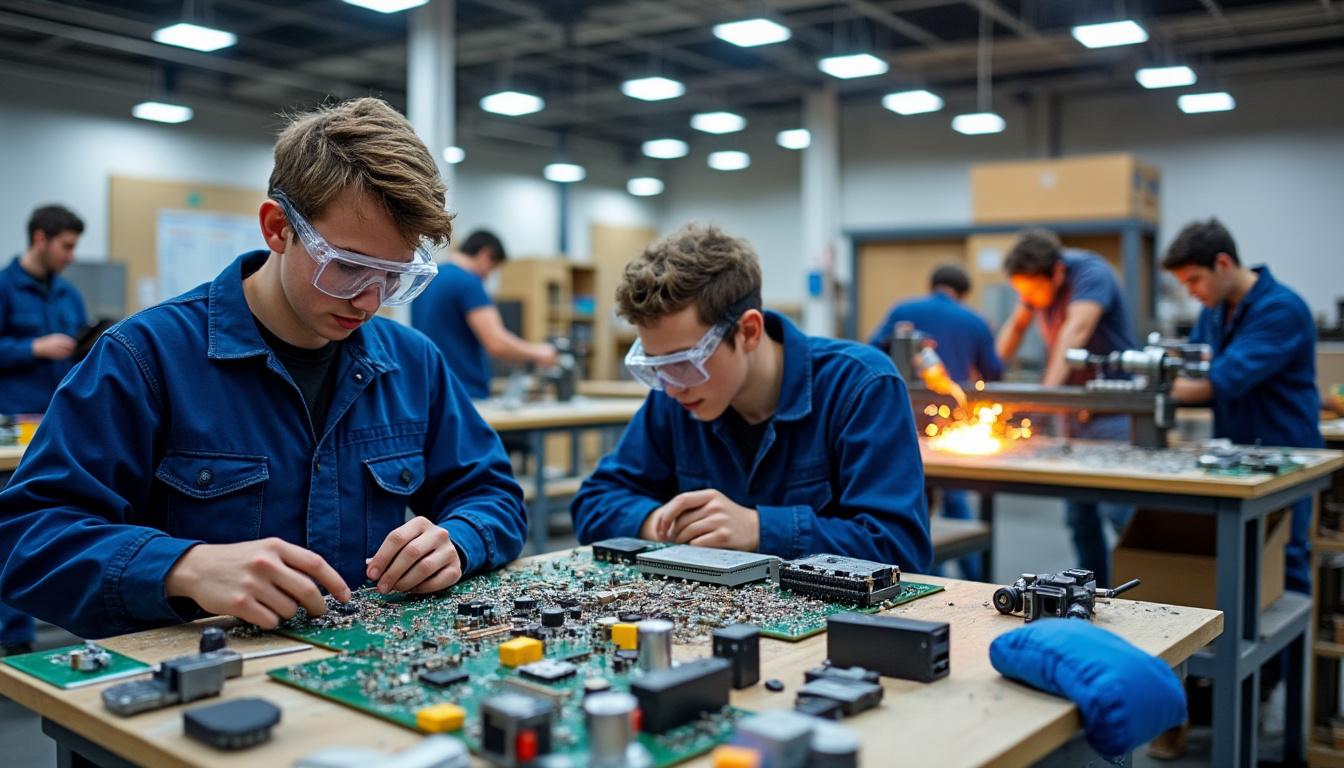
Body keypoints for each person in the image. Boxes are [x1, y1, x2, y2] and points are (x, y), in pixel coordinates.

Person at [0, 98, 527, 639]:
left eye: (392, 276)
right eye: (347, 267)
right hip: (200, 692)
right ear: (278, 228)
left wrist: (460, 540)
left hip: (367, 675)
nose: (369, 301)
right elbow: (26, 540)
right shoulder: (145, 357)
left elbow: (494, 495)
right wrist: (184, 567)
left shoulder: (413, 363)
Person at [570, 223, 931, 571]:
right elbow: (594, 502)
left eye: (684, 362)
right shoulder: (677, 396)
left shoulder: (860, 385)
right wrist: (659, 523)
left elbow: (899, 548)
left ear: (749, 331)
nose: (671, 385)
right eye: (656, 366)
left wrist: (759, 530)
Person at [1164, 218, 1320, 594]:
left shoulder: (1282, 309)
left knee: (1284, 569)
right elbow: (1190, 367)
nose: (1191, 293)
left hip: (1285, 460)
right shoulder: (1213, 311)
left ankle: (1283, 655)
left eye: (1194, 280)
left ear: (1222, 263)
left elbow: (1218, 380)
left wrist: (1151, 388)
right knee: (1240, 571)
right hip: (1235, 462)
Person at [996, 229, 1137, 587]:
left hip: (1112, 412)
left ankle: (1151, 604)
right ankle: (1095, 598)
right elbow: (1014, 329)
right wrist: (989, 386)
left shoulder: (1091, 274)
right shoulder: (1036, 282)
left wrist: (1043, 399)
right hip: (1073, 417)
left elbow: (1075, 333)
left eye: (1032, 291)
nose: (1029, 300)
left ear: (1057, 272)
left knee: (1121, 514)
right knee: (1080, 519)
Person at [868, 264, 1002, 579]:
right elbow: (993, 373)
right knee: (958, 507)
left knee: (917, 512)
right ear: (963, 292)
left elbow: (871, 351)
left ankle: (927, 576)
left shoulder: (903, 310)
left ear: (932, 285)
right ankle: (977, 582)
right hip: (951, 429)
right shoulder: (974, 320)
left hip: (905, 426)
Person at [0, 204, 87, 654]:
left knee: (53, 525)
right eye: (66, 246)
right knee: (10, 532)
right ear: (40, 239)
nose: (72, 255)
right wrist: (32, 347)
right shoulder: (4, 287)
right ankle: (13, 640)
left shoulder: (69, 296)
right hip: (10, 428)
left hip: (55, 428)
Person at [411, 230, 557, 400]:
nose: (488, 278)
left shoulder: (428, 279)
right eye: (492, 270)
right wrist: (538, 352)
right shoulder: (469, 282)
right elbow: (496, 343)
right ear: (485, 254)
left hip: (428, 389)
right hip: (463, 392)